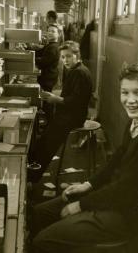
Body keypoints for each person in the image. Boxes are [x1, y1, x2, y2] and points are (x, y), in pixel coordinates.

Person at [28, 59, 138, 253]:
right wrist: (88, 185)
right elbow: (116, 160)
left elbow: (126, 191)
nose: (130, 100)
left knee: (43, 241)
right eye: (125, 92)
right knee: (39, 214)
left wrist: (81, 205)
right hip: (115, 199)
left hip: (129, 216)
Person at [27, 41, 92, 182]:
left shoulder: (79, 73)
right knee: (43, 141)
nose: (65, 60)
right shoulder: (76, 70)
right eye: (62, 57)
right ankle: (32, 175)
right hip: (69, 114)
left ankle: (32, 179)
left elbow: (76, 101)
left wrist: (55, 99)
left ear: (77, 55)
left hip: (73, 117)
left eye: (68, 56)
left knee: (45, 146)